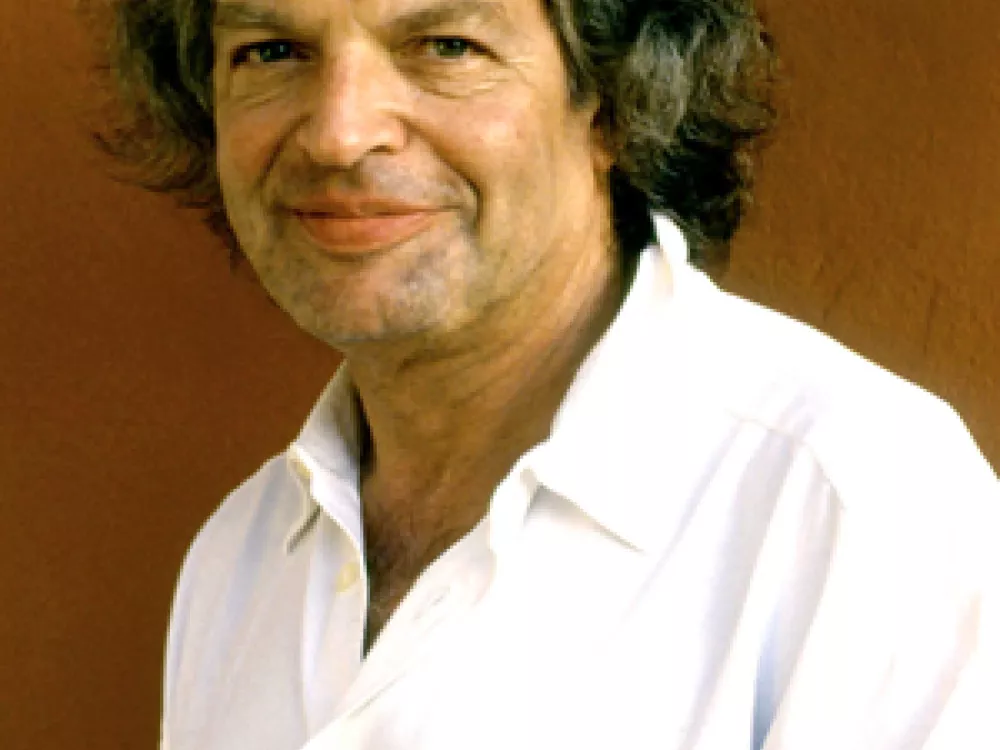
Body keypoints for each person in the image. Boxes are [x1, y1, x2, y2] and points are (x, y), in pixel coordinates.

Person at [102, 0, 999, 748]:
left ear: (614, 99)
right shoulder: (241, 559)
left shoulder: (857, 504)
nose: (340, 133)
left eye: (446, 46)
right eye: (271, 52)